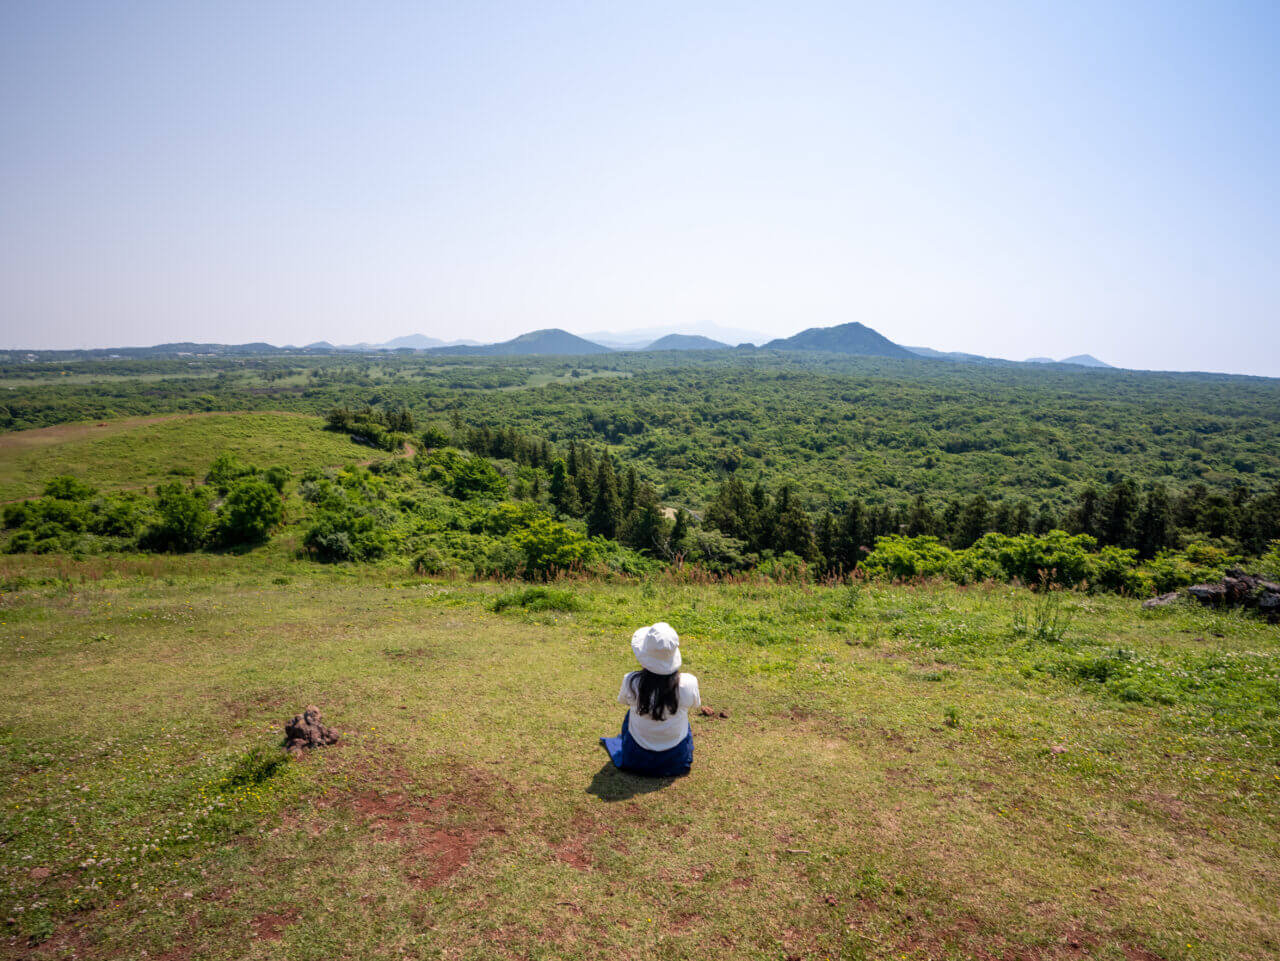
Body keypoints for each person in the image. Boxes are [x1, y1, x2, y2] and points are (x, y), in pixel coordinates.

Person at [600, 622, 700, 777]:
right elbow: (695, 704)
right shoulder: (688, 683)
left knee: (630, 713)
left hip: (637, 757)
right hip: (676, 758)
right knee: (682, 715)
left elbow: (625, 701)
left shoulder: (631, 682)